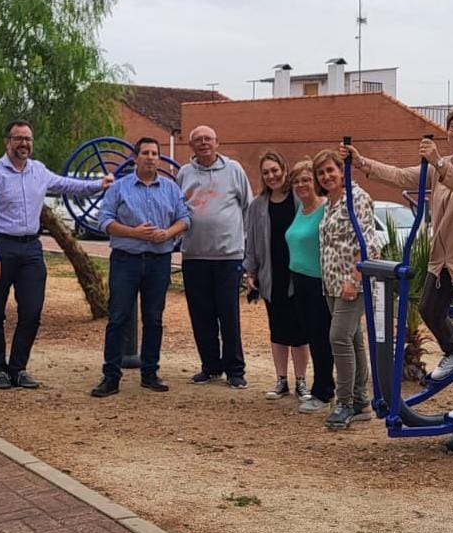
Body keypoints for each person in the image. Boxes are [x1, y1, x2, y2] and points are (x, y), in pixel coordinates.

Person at [341, 103, 453, 420]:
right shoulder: (442, 164)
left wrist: (439, 164)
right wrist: (363, 163)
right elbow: (403, 176)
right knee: (430, 307)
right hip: (446, 256)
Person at [0, 119, 114, 389]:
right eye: (18, 138)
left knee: (32, 311)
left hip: (31, 249)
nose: (24, 143)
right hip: (1, 247)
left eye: (28, 139)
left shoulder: (38, 171)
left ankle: (18, 368)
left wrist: (99, 184)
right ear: (7, 142)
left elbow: (68, 186)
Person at [90, 137, 190, 398]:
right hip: (126, 260)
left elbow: (185, 219)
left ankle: (150, 373)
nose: (150, 157)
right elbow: (104, 221)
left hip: (159, 261)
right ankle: (111, 376)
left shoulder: (170, 188)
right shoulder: (119, 188)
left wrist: (168, 233)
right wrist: (133, 233)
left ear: (159, 157)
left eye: (154, 153)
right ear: (135, 157)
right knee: (118, 317)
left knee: (154, 319)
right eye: (145, 153)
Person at [176, 125, 253, 389]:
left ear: (217, 142)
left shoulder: (234, 171)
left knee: (228, 315)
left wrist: (243, 244)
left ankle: (235, 370)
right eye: (198, 140)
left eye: (208, 138)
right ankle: (210, 366)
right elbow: (177, 208)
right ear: (191, 146)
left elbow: (247, 208)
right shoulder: (184, 173)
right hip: (194, 256)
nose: (204, 143)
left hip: (228, 256)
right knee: (201, 315)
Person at [312, 148, 379, 430]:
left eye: (331, 170)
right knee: (352, 340)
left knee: (338, 337)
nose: (326, 176)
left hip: (352, 283)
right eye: (321, 172)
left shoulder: (357, 199)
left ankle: (344, 403)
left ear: (342, 171)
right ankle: (362, 401)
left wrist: (354, 279)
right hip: (332, 282)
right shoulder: (330, 202)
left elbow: (369, 244)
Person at [244, 151, 311, 402]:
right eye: (266, 172)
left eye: (275, 170)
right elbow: (251, 241)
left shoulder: (299, 199)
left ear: (284, 169)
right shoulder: (257, 206)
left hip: (299, 274)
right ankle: (281, 379)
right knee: (278, 330)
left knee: (300, 332)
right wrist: (250, 271)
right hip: (271, 275)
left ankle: (302, 381)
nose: (271, 176)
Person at [284, 160, 335, 414]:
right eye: (296, 181)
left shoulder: (325, 209)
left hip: (319, 284)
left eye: (306, 179)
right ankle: (324, 386)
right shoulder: (301, 210)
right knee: (312, 338)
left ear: (315, 181)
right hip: (300, 282)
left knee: (321, 339)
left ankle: (323, 392)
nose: (301, 185)